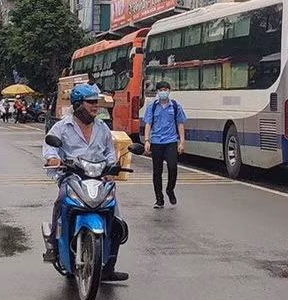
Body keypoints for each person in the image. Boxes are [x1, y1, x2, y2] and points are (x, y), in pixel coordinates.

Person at [43, 84, 127, 281]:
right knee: (62, 201)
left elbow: (108, 152)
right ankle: (54, 244)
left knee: (114, 214)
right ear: (78, 105)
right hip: (72, 177)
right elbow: (50, 149)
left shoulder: (102, 128)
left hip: (98, 178)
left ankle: (110, 265)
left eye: (96, 102)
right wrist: (53, 159)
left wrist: (111, 169)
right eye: (91, 102)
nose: (95, 106)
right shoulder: (61, 127)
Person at [143, 80, 187, 209]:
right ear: (157, 92)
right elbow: (148, 124)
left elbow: (180, 123)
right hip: (156, 141)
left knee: (172, 167)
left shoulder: (175, 106)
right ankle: (159, 199)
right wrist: (147, 140)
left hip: (171, 141)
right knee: (157, 171)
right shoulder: (152, 107)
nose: (163, 92)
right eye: (161, 90)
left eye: (165, 90)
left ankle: (170, 189)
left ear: (169, 91)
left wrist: (182, 142)